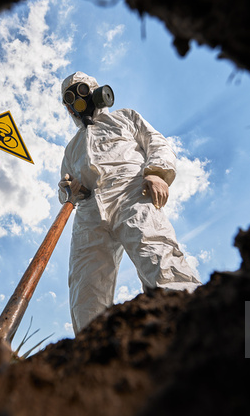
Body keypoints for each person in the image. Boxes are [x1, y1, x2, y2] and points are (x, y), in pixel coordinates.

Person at [58, 71, 201, 333]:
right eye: (70, 100)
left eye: (81, 92)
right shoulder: (72, 148)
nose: (76, 104)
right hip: (89, 210)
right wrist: (70, 190)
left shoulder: (125, 117)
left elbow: (156, 142)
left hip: (132, 192)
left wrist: (157, 173)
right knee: (85, 286)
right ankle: (93, 356)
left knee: (156, 254)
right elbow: (65, 187)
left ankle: (188, 327)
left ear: (97, 92)